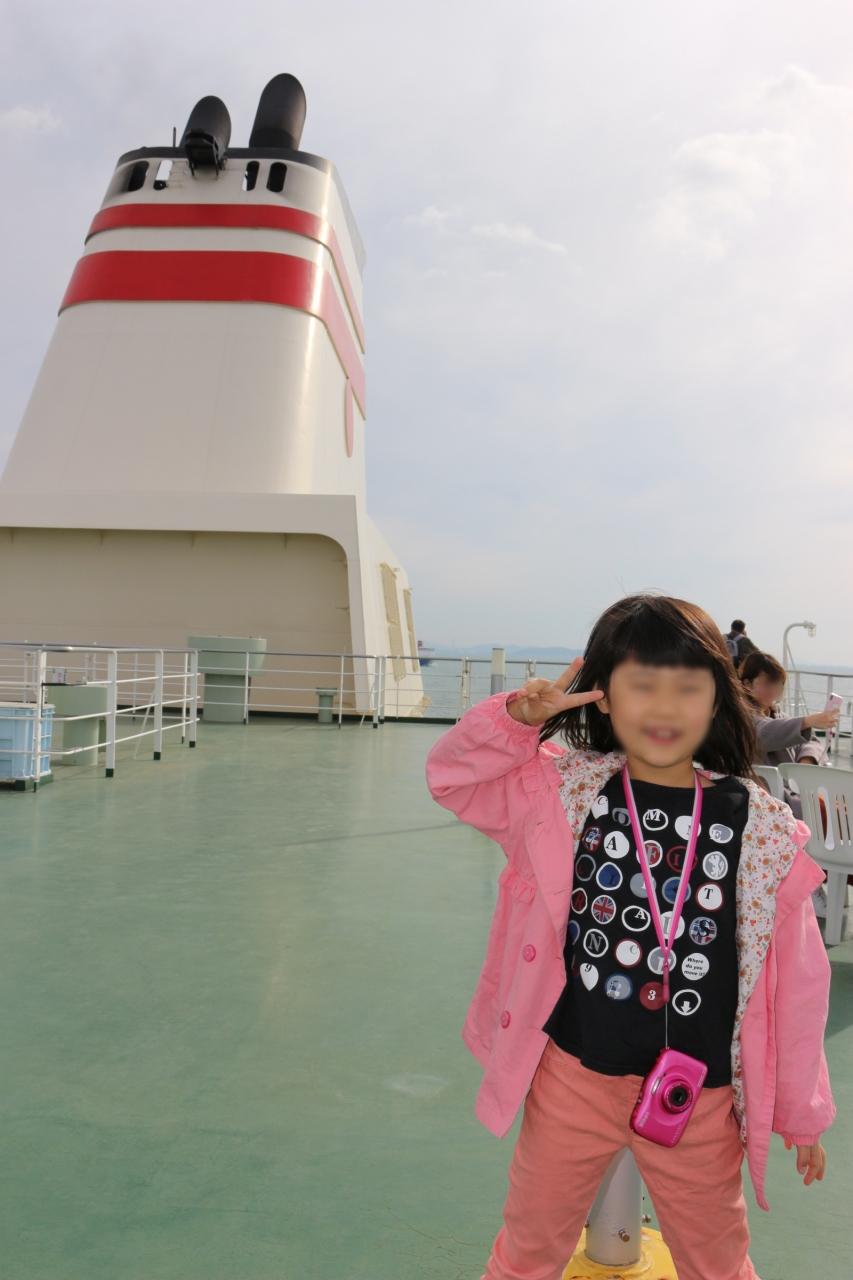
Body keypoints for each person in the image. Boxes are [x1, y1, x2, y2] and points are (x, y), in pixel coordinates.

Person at [425, 593, 835, 1280]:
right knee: (527, 1247)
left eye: (687, 687)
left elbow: (796, 983)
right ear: (605, 697)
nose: (664, 707)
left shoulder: (758, 825)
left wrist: (801, 1111)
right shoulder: (561, 793)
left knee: (717, 1260)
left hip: (698, 1096)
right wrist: (513, 721)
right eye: (642, 685)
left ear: (717, 700)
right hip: (572, 1077)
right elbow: (454, 781)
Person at [738, 651, 838, 820]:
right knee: (838, 812)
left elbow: (811, 741)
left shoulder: (778, 715)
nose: (774, 690)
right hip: (767, 798)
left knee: (841, 807)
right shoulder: (740, 718)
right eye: (767, 683)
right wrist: (808, 721)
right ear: (747, 684)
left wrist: (807, 759)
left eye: (778, 684)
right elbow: (763, 733)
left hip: (795, 792)